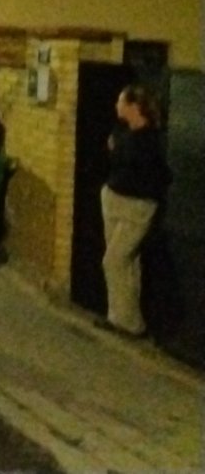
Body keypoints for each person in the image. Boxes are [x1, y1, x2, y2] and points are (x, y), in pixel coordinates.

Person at [98, 83, 170, 339]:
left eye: (121, 101)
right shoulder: (123, 130)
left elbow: (153, 173)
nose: (117, 106)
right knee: (127, 263)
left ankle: (127, 322)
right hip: (115, 197)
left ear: (133, 107)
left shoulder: (150, 139)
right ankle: (124, 318)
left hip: (136, 206)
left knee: (114, 260)